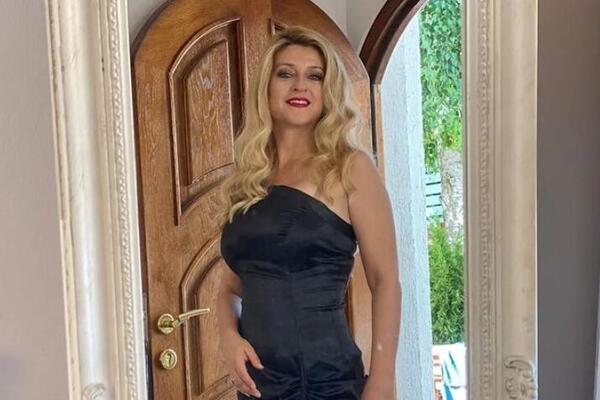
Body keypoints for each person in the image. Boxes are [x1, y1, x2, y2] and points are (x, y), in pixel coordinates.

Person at [216, 26, 401, 400]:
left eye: (314, 76)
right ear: (266, 87)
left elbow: (385, 281)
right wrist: (228, 337)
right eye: (286, 74)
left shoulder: (350, 168)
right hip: (259, 388)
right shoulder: (248, 179)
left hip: (326, 383)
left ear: (327, 90)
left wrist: (382, 381)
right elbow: (230, 288)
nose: (300, 85)